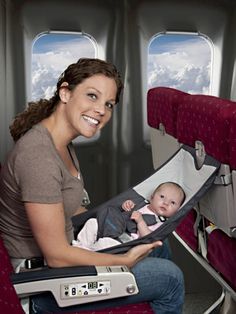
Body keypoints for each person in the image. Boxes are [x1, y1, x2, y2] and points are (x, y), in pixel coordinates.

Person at [0, 58, 184, 313]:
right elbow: (57, 256)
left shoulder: (62, 144)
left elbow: (65, 208)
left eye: (108, 104)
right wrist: (123, 260)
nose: (101, 110)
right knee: (170, 278)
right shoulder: (38, 157)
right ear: (65, 93)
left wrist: (117, 221)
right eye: (92, 96)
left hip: (65, 255)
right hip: (44, 283)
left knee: (159, 248)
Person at [73, 182, 186, 251]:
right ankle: (81, 245)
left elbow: (148, 238)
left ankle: (90, 252)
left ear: (177, 210)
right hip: (113, 227)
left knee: (106, 243)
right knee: (92, 222)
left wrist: (141, 222)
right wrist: (125, 206)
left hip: (124, 241)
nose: (165, 203)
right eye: (162, 197)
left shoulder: (160, 223)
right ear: (152, 197)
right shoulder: (141, 204)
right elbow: (122, 214)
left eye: (172, 203)